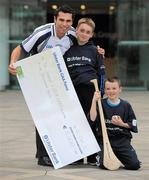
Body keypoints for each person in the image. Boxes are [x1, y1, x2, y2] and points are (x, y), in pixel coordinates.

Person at [8, 5, 105, 166]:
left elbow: (85, 42)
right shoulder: (42, 32)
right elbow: (21, 48)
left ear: (71, 21)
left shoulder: (73, 33)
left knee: (60, 117)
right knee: (43, 116)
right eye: (61, 20)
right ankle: (42, 155)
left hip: (60, 80)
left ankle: (62, 151)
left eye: (68, 21)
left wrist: (98, 50)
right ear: (55, 19)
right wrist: (12, 62)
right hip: (40, 76)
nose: (64, 24)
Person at [64, 18, 106, 165]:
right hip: (73, 92)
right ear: (76, 31)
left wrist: (100, 93)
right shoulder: (67, 49)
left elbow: (102, 74)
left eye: (87, 32)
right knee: (75, 123)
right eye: (81, 30)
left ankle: (93, 155)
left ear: (91, 34)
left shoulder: (96, 51)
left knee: (92, 123)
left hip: (90, 91)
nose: (83, 34)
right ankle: (76, 155)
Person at [89, 76, 141, 170]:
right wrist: (94, 100)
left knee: (134, 165)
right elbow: (92, 118)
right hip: (105, 141)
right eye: (108, 89)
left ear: (120, 89)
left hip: (122, 141)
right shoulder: (101, 104)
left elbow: (132, 125)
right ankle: (100, 157)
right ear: (104, 90)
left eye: (114, 88)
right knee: (104, 165)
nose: (111, 91)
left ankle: (120, 156)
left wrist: (121, 124)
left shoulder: (126, 105)